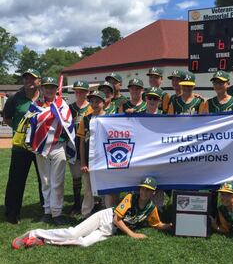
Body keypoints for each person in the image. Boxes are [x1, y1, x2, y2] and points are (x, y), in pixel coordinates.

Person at [12, 177, 172, 249]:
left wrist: (170, 226)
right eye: (143, 188)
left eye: (148, 190)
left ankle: (42, 240)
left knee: (83, 243)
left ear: (153, 192)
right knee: (73, 232)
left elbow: (156, 223)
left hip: (109, 231)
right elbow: (117, 219)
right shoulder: (131, 197)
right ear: (139, 188)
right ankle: (33, 232)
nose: (144, 192)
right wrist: (133, 234)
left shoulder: (151, 207)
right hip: (105, 217)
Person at [3, 68, 44, 224]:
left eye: (32, 78)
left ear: (39, 81)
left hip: (40, 147)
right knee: (16, 180)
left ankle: (46, 209)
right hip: (20, 147)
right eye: (26, 78)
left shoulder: (45, 98)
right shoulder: (15, 98)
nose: (28, 81)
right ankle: (12, 212)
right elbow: (7, 118)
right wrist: (20, 130)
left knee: (44, 179)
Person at [35, 77, 72, 225]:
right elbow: (33, 123)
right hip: (42, 147)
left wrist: (54, 112)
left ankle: (57, 212)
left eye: (52, 87)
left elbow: (67, 123)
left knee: (57, 181)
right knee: (45, 181)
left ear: (57, 89)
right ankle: (47, 211)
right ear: (42, 89)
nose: (49, 90)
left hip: (58, 146)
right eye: (46, 87)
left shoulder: (62, 104)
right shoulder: (36, 104)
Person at [77, 91, 106, 218]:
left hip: (104, 160)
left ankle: (106, 212)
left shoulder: (110, 118)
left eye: (97, 101)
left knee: (106, 188)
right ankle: (86, 213)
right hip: (90, 159)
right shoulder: (86, 119)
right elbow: (82, 142)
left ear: (104, 103)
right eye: (92, 101)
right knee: (88, 188)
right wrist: (83, 162)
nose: (94, 104)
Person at [68, 80, 93, 215]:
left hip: (88, 146)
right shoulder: (69, 108)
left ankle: (92, 203)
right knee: (76, 176)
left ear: (87, 92)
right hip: (74, 146)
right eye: (77, 91)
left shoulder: (92, 106)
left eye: (82, 91)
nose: (79, 93)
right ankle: (77, 203)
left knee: (90, 178)